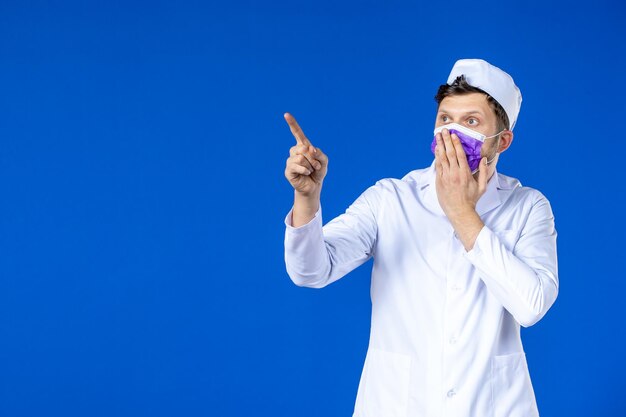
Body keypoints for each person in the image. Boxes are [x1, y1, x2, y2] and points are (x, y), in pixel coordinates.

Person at [282, 58, 558, 417]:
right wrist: (307, 198)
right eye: (445, 119)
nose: (452, 132)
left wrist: (461, 212)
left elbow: (532, 305)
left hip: (492, 406)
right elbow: (311, 271)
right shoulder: (390, 198)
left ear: (502, 141)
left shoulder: (528, 206)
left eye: (471, 121)